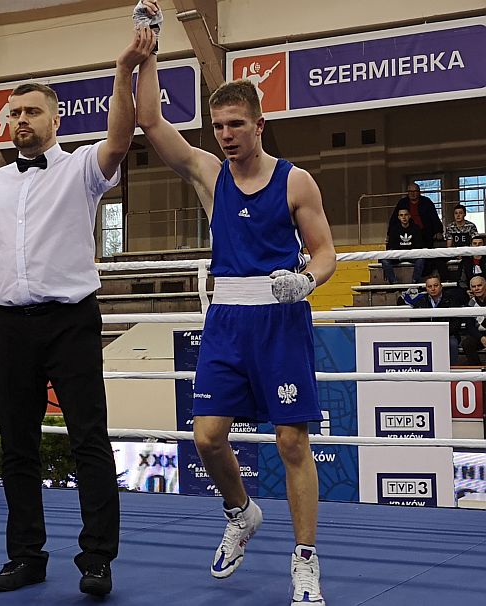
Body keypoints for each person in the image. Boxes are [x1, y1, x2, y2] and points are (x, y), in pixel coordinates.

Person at [0, 31, 155, 597]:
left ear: (56, 118)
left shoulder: (83, 169)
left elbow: (120, 139)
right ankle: (25, 556)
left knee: (87, 439)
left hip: (70, 320)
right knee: (17, 445)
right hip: (10, 325)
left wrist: (123, 71)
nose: (20, 119)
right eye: (13, 112)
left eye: (31, 111)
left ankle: (97, 559)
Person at [133, 3, 334, 604]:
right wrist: (149, 49)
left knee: (293, 443)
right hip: (226, 320)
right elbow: (149, 120)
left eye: (235, 125)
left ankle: (305, 561)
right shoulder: (209, 175)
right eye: (218, 126)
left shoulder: (296, 181)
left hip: (280, 318)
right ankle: (241, 511)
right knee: (206, 438)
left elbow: (325, 253)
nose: (225, 135)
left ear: (259, 124)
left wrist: (306, 280)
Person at [411, 273, 466, 364]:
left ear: (441, 286)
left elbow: (457, 322)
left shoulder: (452, 300)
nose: (433, 288)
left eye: (435, 285)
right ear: (426, 288)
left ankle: (452, 374)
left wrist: (442, 332)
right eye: (429, 286)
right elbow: (414, 320)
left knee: (452, 343)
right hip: (426, 335)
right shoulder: (420, 301)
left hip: (448, 334)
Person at [382, 208, 425, 285]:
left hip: (412, 255)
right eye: (401, 215)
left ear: (409, 216)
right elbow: (391, 246)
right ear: (398, 217)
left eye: (406, 215)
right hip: (398, 255)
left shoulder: (416, 228)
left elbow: (419, 245)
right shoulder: (394, 229)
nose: (404, 217)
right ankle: (394, 283)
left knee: (421, 260)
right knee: (385, 260)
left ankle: (415, 282)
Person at [461, 275, 486, 366]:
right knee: (467, 343)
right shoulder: (470, 303)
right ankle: (478, 373)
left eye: (479, 285)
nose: (477, 289)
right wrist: (481, 338)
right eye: (474, 287)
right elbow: (470, 326)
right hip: (479, 335)